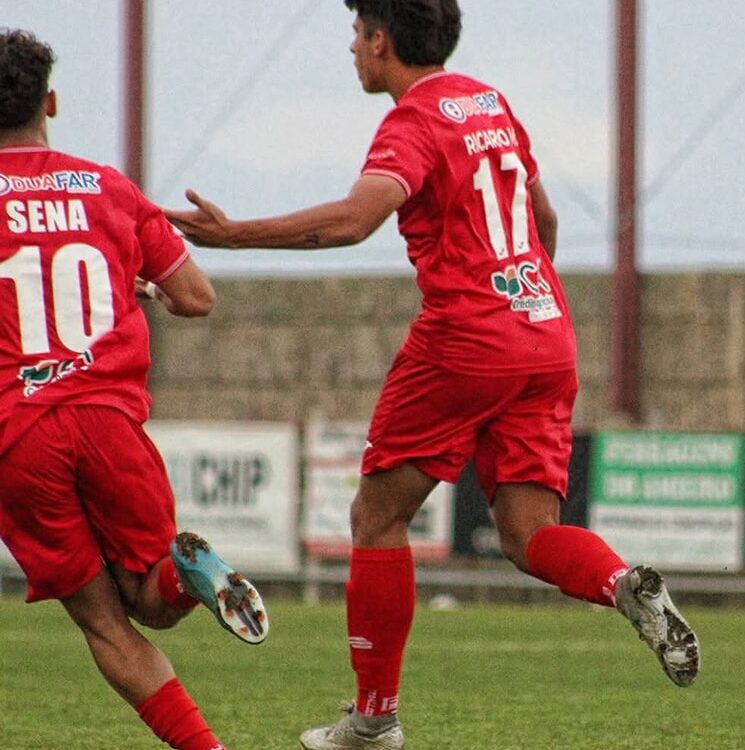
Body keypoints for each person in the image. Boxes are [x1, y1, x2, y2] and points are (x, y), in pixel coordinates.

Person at [166, 2, 700, 748]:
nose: (352, 49)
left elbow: (354, 221)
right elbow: (541, 221)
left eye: (356, 36)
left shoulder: (412, 122)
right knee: (527, 534)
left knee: (377, 518)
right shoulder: (487, 102)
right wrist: (522, 299)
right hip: (545, 334)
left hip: (466, 336)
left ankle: (374, 721)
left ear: (380, 41)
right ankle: (621, 586)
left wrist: (231, 235)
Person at [0, 29, 268, 750]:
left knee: (105, 623)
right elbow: (196, 297)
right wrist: (136, 282)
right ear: (49, 101)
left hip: (18, 434)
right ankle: (187, 573)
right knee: (154, 599)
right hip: (109, 418)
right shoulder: (105, 186)